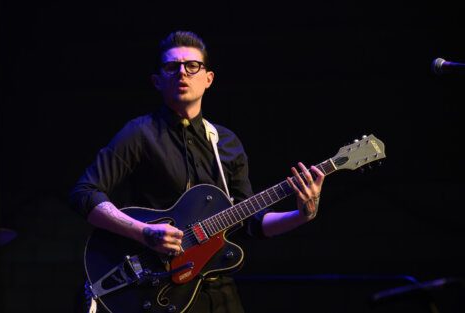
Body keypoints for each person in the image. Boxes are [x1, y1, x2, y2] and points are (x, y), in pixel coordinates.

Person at [70, 30, 325, 313]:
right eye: (172, 67)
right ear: (157, 81)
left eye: (192, 66)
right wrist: (145, 232)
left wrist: (303, 214)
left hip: (221, 291)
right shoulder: (139, 134)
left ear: (208, 79)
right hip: (159, 288)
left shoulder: (226, 143)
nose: (183, 73)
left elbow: (252, 223)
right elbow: (84, 193)